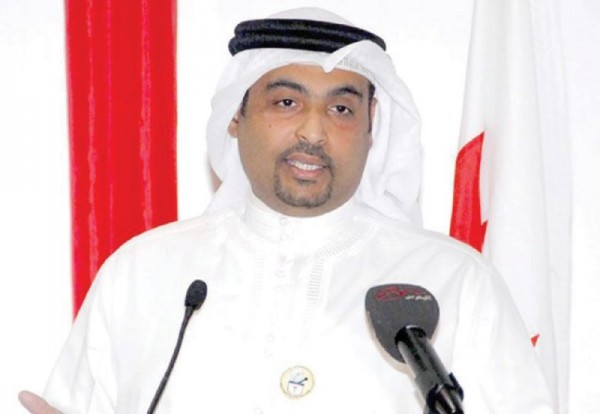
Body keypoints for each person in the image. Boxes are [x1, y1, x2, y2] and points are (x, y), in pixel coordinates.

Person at [20, 7, 555, 413]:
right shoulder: (143, 273)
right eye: (286, 102)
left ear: (372, 127)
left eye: (341, 108)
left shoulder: (454, 281)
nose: (313, 132)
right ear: (236, 116)